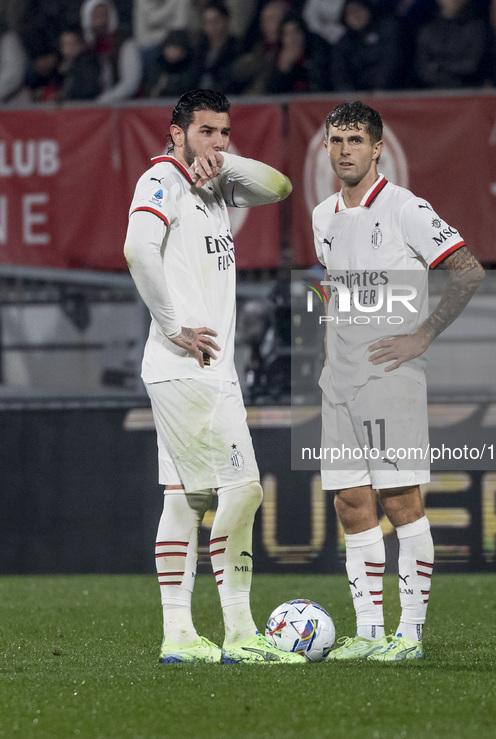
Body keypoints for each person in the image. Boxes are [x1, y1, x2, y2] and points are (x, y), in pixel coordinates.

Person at [123, 89, 304, 665]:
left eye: (224, 132)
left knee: (186, 497)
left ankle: (178, 635)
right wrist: (175, 326)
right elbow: (136, 250)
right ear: (175, 132)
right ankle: (239, 631)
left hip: (197, 371)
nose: (217, 141)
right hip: (188, 367)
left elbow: (280, 187)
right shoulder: (162, 183)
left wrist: (226, 163)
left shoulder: (216, 185)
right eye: (205, 132)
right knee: (243, 489)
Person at [312, 101, 484, 661]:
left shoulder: (407, 208)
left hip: (390, 377)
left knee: (400, 499)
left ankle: (408, 635)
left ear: (378, 147)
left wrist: (424, 335)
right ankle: (367, 634)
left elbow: (467, 270)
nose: (344, 151)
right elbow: (333, 287)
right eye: (336, 140)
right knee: (350, 503)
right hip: (338, 381)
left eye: (355, 141)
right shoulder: (322, 216)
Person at [414, 0, 490, 89]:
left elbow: (471, 66)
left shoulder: (477, 28)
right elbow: (422, 71)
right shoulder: (427, 31)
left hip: (468, 91)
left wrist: (440, 65)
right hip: (433, 92)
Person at [80, 0, 142, 102]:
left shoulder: (126, 45)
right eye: (96, 16)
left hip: (125, 107)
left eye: (103, 15)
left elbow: (130, 83)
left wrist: (104, 100)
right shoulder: (87, 50)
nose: (100, 22)